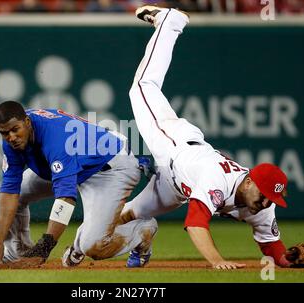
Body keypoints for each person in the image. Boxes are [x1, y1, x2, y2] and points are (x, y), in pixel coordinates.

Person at [120, 5, 294, 269]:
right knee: (143, 87)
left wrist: (291, 262)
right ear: (249, 182)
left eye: (273, 199)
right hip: (174, 146)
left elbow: (272, 246)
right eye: (265, 194)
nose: (267, 202)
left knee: (126, 215)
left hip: (177, 186)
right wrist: (217, 261)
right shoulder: (219, 179)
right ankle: (171, 22)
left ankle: (138, 246)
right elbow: (195, 224)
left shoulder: (262, 204)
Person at [0, 101, 157, 268]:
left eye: (15, 130)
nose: (11, 137)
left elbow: (65, 198)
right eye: (5, 133)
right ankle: (18, 253)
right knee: (19, 192)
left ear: (27, 122)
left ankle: (142, 230)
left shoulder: (55, 139)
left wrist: (44, 248)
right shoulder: (12, 140)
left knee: (93, 246)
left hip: (111, 169)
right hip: (78, 166)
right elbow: (9, 193)